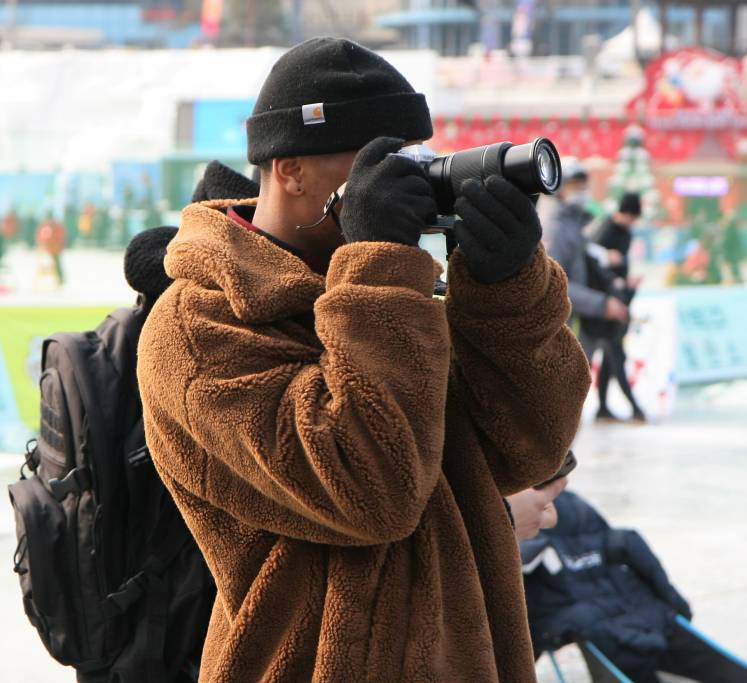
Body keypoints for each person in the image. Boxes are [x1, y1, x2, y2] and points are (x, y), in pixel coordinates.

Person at [136, 37, 591, 682]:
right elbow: (372, 493)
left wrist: (507, 291)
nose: (404, 182)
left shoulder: (397, 297)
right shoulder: (197, 327)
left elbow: (530, 450)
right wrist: (378, 266)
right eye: (378, 164)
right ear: (290, 170)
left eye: (413, 160)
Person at [521, 491, 747, 683]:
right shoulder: (574, 506)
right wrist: (673, 602)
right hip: (639, 613)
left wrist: (544, 634)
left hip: (601, 624)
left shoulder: (536, 517)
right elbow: (632, 547)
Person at [539, 159, 629, 361]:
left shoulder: (572, 222)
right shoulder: (554, 227)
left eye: (583, 186)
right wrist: (601, 304)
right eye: (575, 185)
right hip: (561, 332)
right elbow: (552, 284)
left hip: (575, 324)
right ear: (558, 187)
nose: (581, 191)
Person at [588, 192, 645, 422]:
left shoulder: (626, 233)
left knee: (610, 357)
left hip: (621, 298)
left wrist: (626, 283)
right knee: (616, 355)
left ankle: (603, 407)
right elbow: (592, 264)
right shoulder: (605, 230)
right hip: (607, 305)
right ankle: (635, 408)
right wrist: (613, 280)